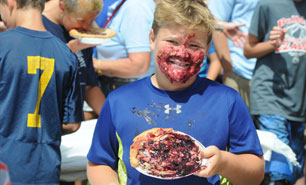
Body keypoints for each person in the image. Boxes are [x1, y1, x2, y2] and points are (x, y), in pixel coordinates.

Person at [86, 0, 265, 185]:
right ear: (152, 39)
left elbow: (255, 173)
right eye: (172, 41)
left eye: (194, 45)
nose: (182, 53)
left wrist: (225, 162)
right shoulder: (119, 100)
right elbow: (99, 162)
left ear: (207, 47)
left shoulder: (227, 100)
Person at [0, 0, 83, 184]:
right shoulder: (66, 54)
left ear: (11, 3)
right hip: (44, 167)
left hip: (5, 165)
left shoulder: (3, 45)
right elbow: (72, 123)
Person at [244, 0, 306, 184]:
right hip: (270, 97)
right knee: (280, 172)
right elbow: (248, 49)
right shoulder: (268, 4)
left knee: (295, 171)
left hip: (299, 102)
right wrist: (272, 44)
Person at [43, 0, 106, 120]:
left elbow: (89, 86)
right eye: (81, 20)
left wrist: (112, 118)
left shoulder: (79, 32)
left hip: (74, 124)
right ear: (62, 6)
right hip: (49, 125)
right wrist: (68, 50)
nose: (86, 27)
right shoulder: (40, 28)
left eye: (92, 21)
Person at [92, 0, 156, 97]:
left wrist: (96, 65)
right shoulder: (128, 5)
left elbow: (139, 65)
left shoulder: (137, 6)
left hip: (128, 89)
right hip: (117, 86)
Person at [207, 0, 259, 110]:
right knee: (234, 125)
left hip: (275, 75)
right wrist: (228, 68)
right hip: (238, 72)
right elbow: (212, 20)